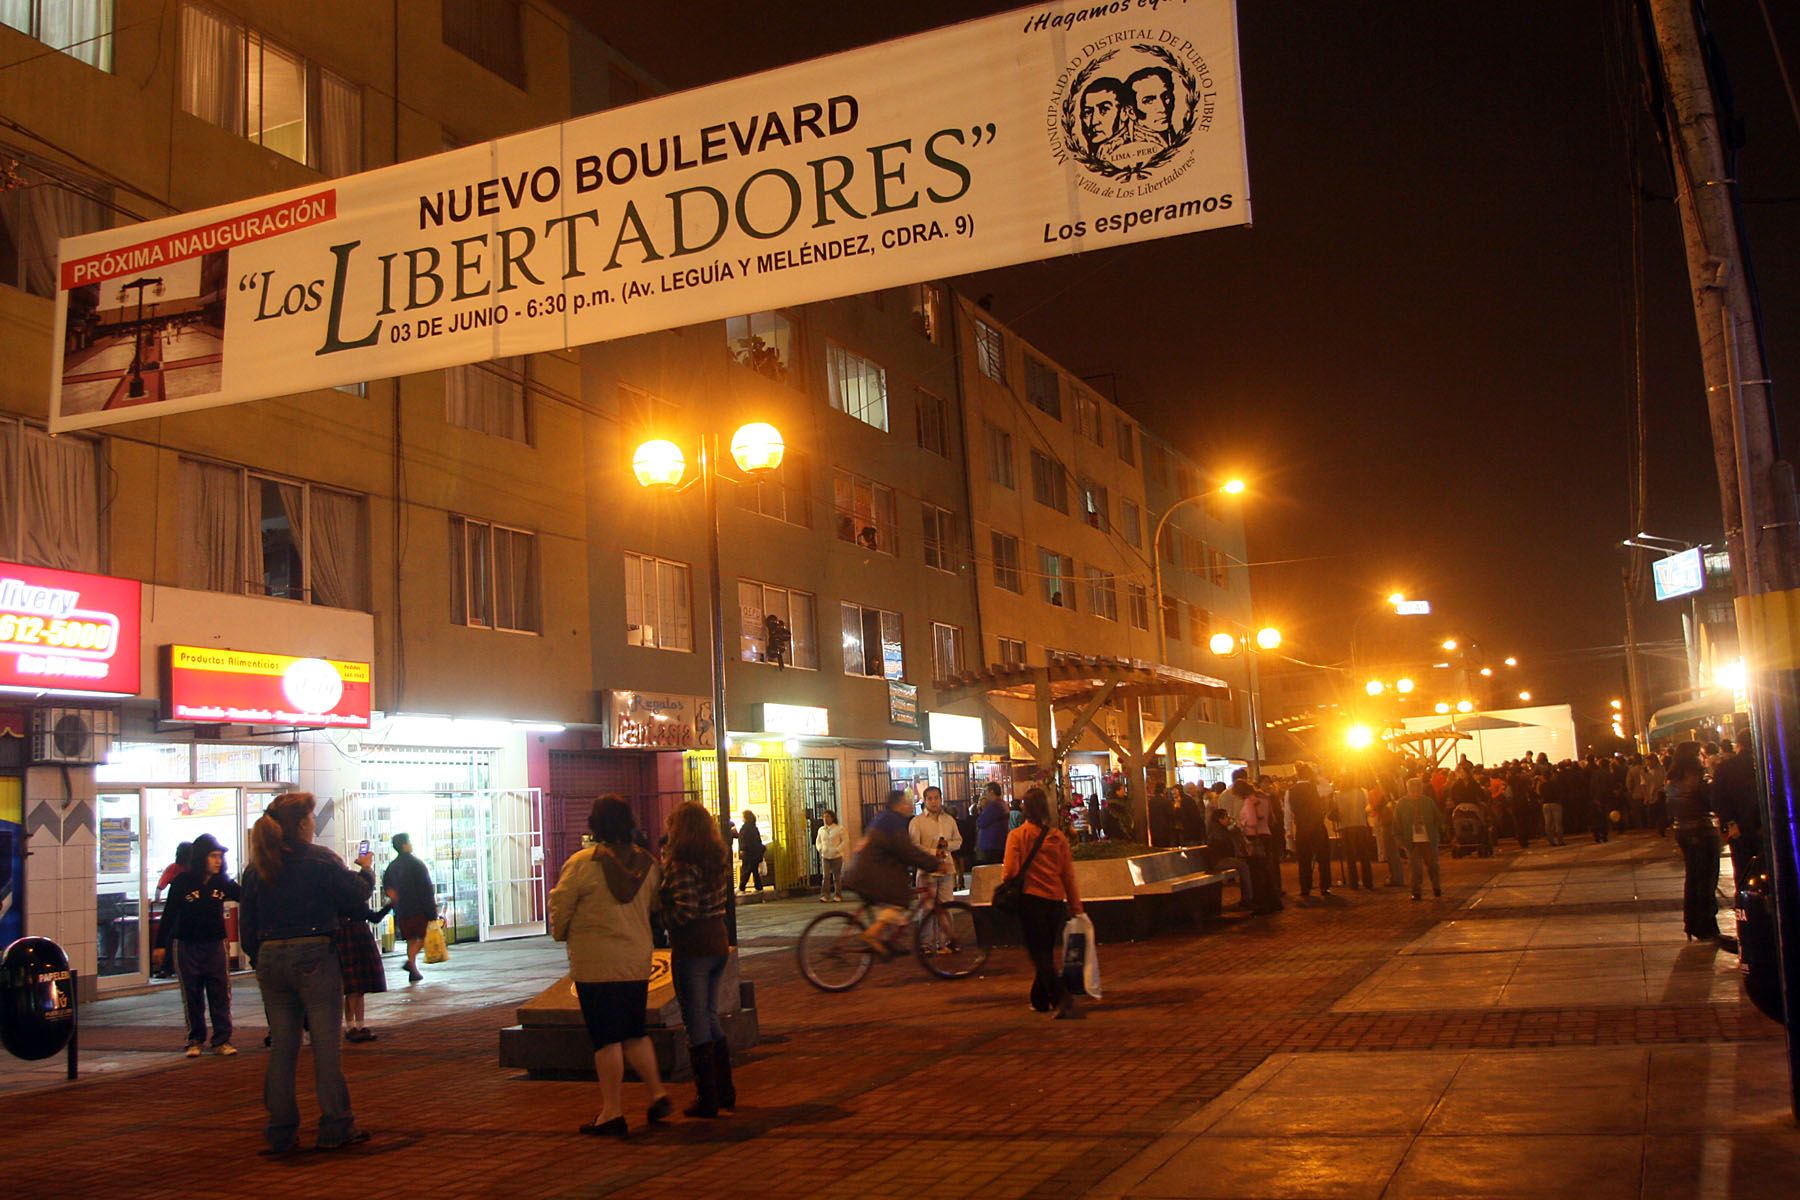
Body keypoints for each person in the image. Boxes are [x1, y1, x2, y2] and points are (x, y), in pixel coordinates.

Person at [240, 792, 376, 1153]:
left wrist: (261, 959)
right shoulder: (320, 860)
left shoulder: (256, 867)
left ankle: (281, 1130)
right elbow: (356, 895)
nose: (315, 824)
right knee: (325, 1045)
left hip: (271, 957)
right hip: (314, 953)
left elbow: (247, 926)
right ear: (301, 823)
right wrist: (366, 868)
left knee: (283, 1048)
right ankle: (335, 1124)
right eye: (312, 818)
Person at [548, 796, 671, 1137]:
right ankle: (657, 1092)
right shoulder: (647, 864)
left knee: (605, 1039)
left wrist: (561, 932)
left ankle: (612, 1111)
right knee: (633, 1030)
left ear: (595, 825)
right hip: (635, 961)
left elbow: (562, 905)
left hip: (595, 964)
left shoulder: (582, 863)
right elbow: (656, 906)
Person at [659, 801, 736, 1119]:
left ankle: (707, 1096)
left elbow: (685, 911)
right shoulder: (716, 857)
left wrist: (662, 915)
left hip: (693, 948)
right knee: (710, 1015)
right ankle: (724, 1091)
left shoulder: (681, 862)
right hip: (718, 942)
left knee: (696, 1021)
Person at [1001, 787, 1085, 1019]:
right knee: (1045, 951)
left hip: (1030, 901)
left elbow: (1009, 872)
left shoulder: (1017, 836)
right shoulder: (1058, 837)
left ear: (1024, 809)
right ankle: (1039, 999)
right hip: (1055, 902)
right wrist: (1076, 906)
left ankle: (1061, 997)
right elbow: (1068, 874)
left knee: (1039, 955)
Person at [155, 832, 240, 1058]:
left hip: (215, 944)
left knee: (220, 992)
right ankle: (195, 1039)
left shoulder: (223, 882)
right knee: (191, 993)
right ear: (202, 857)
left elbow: (246, 897)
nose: (217, 860)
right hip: (187, 944)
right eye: (213, 855)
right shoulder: (182, 882)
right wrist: (160, 945)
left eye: (220, 856)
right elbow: (170, 914)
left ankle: (222, 1039)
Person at [841, 789, 944, 954]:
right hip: (871, 873)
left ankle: (890, 942)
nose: (910, 805)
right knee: (898, 900)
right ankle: (872, 935)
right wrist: (933, 864)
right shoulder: (893, 822)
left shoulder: (884, 818)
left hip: (863, 871)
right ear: (899, 805)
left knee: (891, 901)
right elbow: (907, 851)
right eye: (907, 802)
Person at [1667, 742, 1721, 942]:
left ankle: (1691, 923)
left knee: (1693, 878)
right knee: (1707, 879)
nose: (1703, 757)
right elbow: (1712, 802)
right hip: (1703, 830)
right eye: (1701, 753)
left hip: (1682, 830)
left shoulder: (1672, 780)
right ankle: (1707, 924)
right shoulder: (1700, 777)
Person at [909, 786, 963, 952]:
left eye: (936, 798)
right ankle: (926, 942)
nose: (933, 802)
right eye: (930, 798)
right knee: (927, 908)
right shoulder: (917, 822)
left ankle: (944, 942)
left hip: (946, 869)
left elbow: (958, 841)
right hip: (927, 870)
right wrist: (934, 852)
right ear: (924, 801)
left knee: (946, 905)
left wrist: (948, 846)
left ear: (941, 799)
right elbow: (914, 846)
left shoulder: (949, 820)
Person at [381, 833, 436, 983]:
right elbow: (426, 889)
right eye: (409, 841)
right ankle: (411, 963)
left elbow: (388, 888)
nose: (411, 844)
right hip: (418, 909)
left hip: (402, 910)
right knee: (424, 937)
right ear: (405, 845)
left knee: (411, 939)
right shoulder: (417, 864)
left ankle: (413, 970)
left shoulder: (392, 867)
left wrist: (396, 900)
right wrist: (431, 912)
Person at [1713, 729, 1763, 893]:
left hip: (1738, 827)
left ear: (1738, 745)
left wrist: (1729, 822)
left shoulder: (1725, 768)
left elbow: (1718, 799)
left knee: (1743, 868)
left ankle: (1744, 906)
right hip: (1763, 825)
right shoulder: (1766, 762)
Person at [336, 900, 388, 1043]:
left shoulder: (343, 899)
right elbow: (375, 918)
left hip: (351, 940)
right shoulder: (356, 900)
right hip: (359, 939)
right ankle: (352, 1026)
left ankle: (357, 1026)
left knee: (357, 988)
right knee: (355, 989)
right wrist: (391, 904)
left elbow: (374, 917)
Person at [1234, 771, 1281, 913]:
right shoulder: (1264, 799)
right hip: (1266, 834)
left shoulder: (1249, 801)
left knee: (1257, 873)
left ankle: (1261, 903)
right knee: (1267, 871)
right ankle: (1273, 902)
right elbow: (1271, 818)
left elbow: (1252, 821)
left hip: (1254, 838)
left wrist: (1241, 823)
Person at [1287, 764, 1332, 899]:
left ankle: (1305, 888)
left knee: (1304, 860)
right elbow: (1329, 788)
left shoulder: (1290, 791)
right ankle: (1324, 887)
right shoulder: (1316, 788)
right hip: (1317, 826)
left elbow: (1288, 814)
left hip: (1301, 827)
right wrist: (1317, 775)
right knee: (1323, 859)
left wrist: (1288, 830)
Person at [1396, 778, 1443, 901]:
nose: (1416, 791)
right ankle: (1416, 891)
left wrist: (1435, 832)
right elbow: (1397, 823)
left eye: (1418, 788)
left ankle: (1436, 887)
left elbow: (1438, 818)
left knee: (1432, 866)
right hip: (1411, 840)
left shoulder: (1428, 802)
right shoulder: (1402, 804)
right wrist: (1399, 838)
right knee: (1415, 868)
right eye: (1413, 789)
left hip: (1428, 839)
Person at [1202, 808, 1255, 910]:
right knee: (1244, 867)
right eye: (1226, 817)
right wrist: (1233, 829)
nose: (1228, 819)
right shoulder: (1217, 830)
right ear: (1220, 819)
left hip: (1222, 859)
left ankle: (1248, 897)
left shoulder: (1220, 829)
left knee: (1244, 865)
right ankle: (1247, 899)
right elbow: (1223, 840)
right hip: (1218, 861)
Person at [1336, 775, 1375, 889]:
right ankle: (1368, 881)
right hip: (1360, 824)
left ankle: (1354, 882)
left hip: (1346, 826)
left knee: (1350, 856)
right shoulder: (1360, 792)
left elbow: (1337, 809)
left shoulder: (1338, 795)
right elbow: (1366, 807)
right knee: (1364, 854)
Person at [813, 810, 846, 902]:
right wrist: (820, 849)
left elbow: (845, 841)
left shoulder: (839, 829)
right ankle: (825, 895)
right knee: (826, 876)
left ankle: (838, 895)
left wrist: (837, 849)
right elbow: (818, 841)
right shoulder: (821, 830)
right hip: (825, 855)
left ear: (832, 818)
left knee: (837, 876)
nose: (825, 819)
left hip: (836, 856)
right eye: (824, 817)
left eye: (827, 816)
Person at [975, 782, 1010, 866]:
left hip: (992, 845)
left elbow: (981, 822)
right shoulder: (1002, 804)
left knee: (991, 871)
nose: (984, 794)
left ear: (991, 791)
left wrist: (983, 808)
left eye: (985, 791)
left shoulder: (994, 805)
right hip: (998, 844)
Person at [735, 811, 766, 893]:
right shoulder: (754, 827)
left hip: (748, 853)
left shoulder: (745, 828)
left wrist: (742, 849)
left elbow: (743, 840)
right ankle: (758, 887)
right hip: (755, 852)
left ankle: (742, 887)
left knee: (746, 870)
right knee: (754, 870)